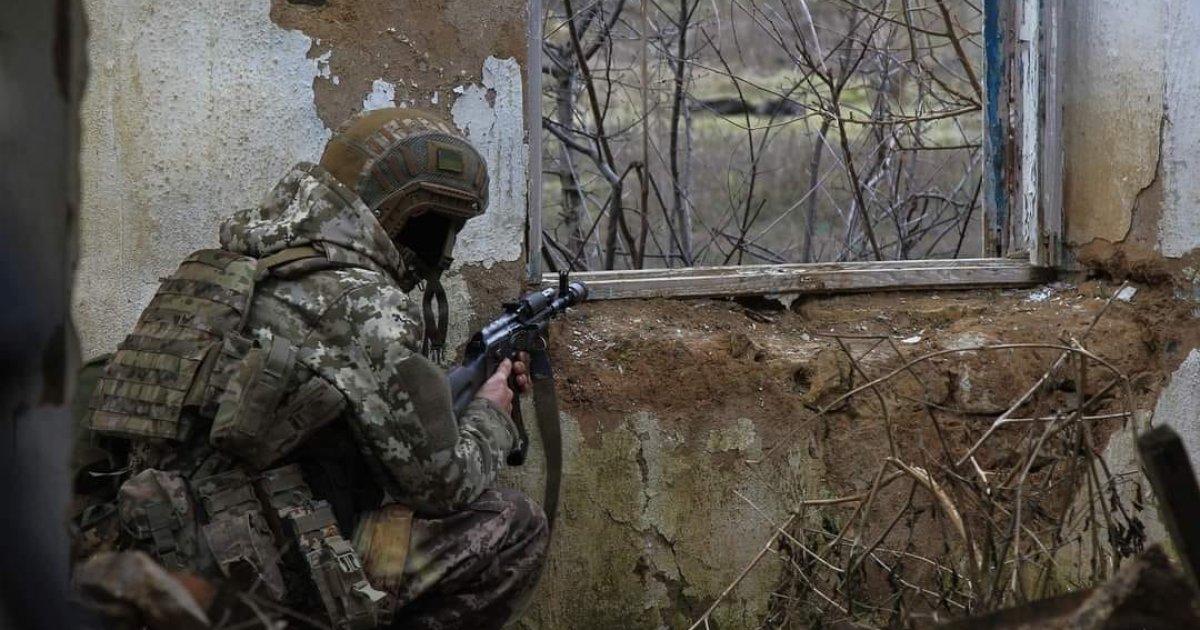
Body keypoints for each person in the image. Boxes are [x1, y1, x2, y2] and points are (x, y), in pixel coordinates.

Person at [77, 107, 548, 630]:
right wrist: (492, 414)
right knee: (513, 524)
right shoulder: (361, 303)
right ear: (404, 215)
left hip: (156, 552)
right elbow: (441, 488)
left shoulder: (225, 271)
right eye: (444, 226)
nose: (447, 250)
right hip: (265, 574)